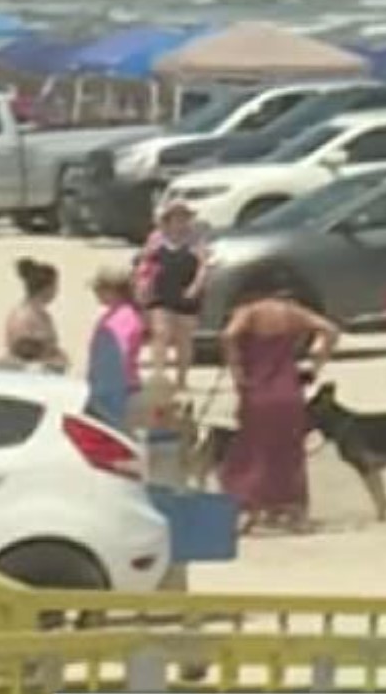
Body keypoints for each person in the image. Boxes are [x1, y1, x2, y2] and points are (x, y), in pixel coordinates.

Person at [219, 262, 337, 533]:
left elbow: (229, 335)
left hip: (257, 386)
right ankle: (289, 508)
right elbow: (330, 330)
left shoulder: (249, 312)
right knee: (288, 450)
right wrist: (315, 364)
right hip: (288, 387)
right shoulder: (293, 312)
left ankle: (250, 506)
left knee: (252, 448)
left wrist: (236, 368)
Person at [142, 203, 207, 390]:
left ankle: (182, 379)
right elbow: (145, 262)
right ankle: (159, 376)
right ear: (167, 220)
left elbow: (203, 266)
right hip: (161, 291)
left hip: (185, 291)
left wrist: (196, 286)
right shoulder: (157, 238)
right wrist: (145, 283)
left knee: (184, 338)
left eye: (184, 217)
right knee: (160, 333)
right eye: (176, 217)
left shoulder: (195, 240)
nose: (181, 222)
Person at [86, 266, 149, 429]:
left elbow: (117, 354)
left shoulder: (123, 318)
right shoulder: (116, 313)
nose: (95, 293)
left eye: (98, 289)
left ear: (111, 291)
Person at [0, 258, 67, 373]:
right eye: (55, 286)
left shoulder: (39, 314)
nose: (57, 290)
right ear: (47, 288)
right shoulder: (24, 316)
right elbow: (23, 354)